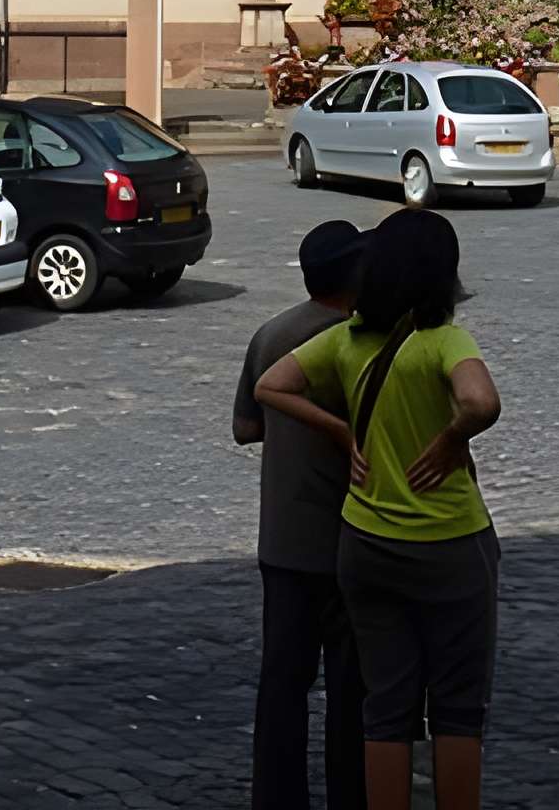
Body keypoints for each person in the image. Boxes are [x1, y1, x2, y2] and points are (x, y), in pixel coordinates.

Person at [254, 209, 500, 810]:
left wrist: (342, 432)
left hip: (363, 541)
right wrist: (449, 440)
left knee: (385, 707)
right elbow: (481, 401)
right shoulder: (444, 340)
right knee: (457, 709)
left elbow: (270, 387)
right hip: (448, 542)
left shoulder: (343, 340)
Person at [235, 219, 370, 810]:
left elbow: (246, 427)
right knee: (352, 688)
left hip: (283, 540)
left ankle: (277, 797)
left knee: (283, 684)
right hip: (348, 540)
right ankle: (351, 794)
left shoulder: (272, 334)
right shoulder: (359, 342)